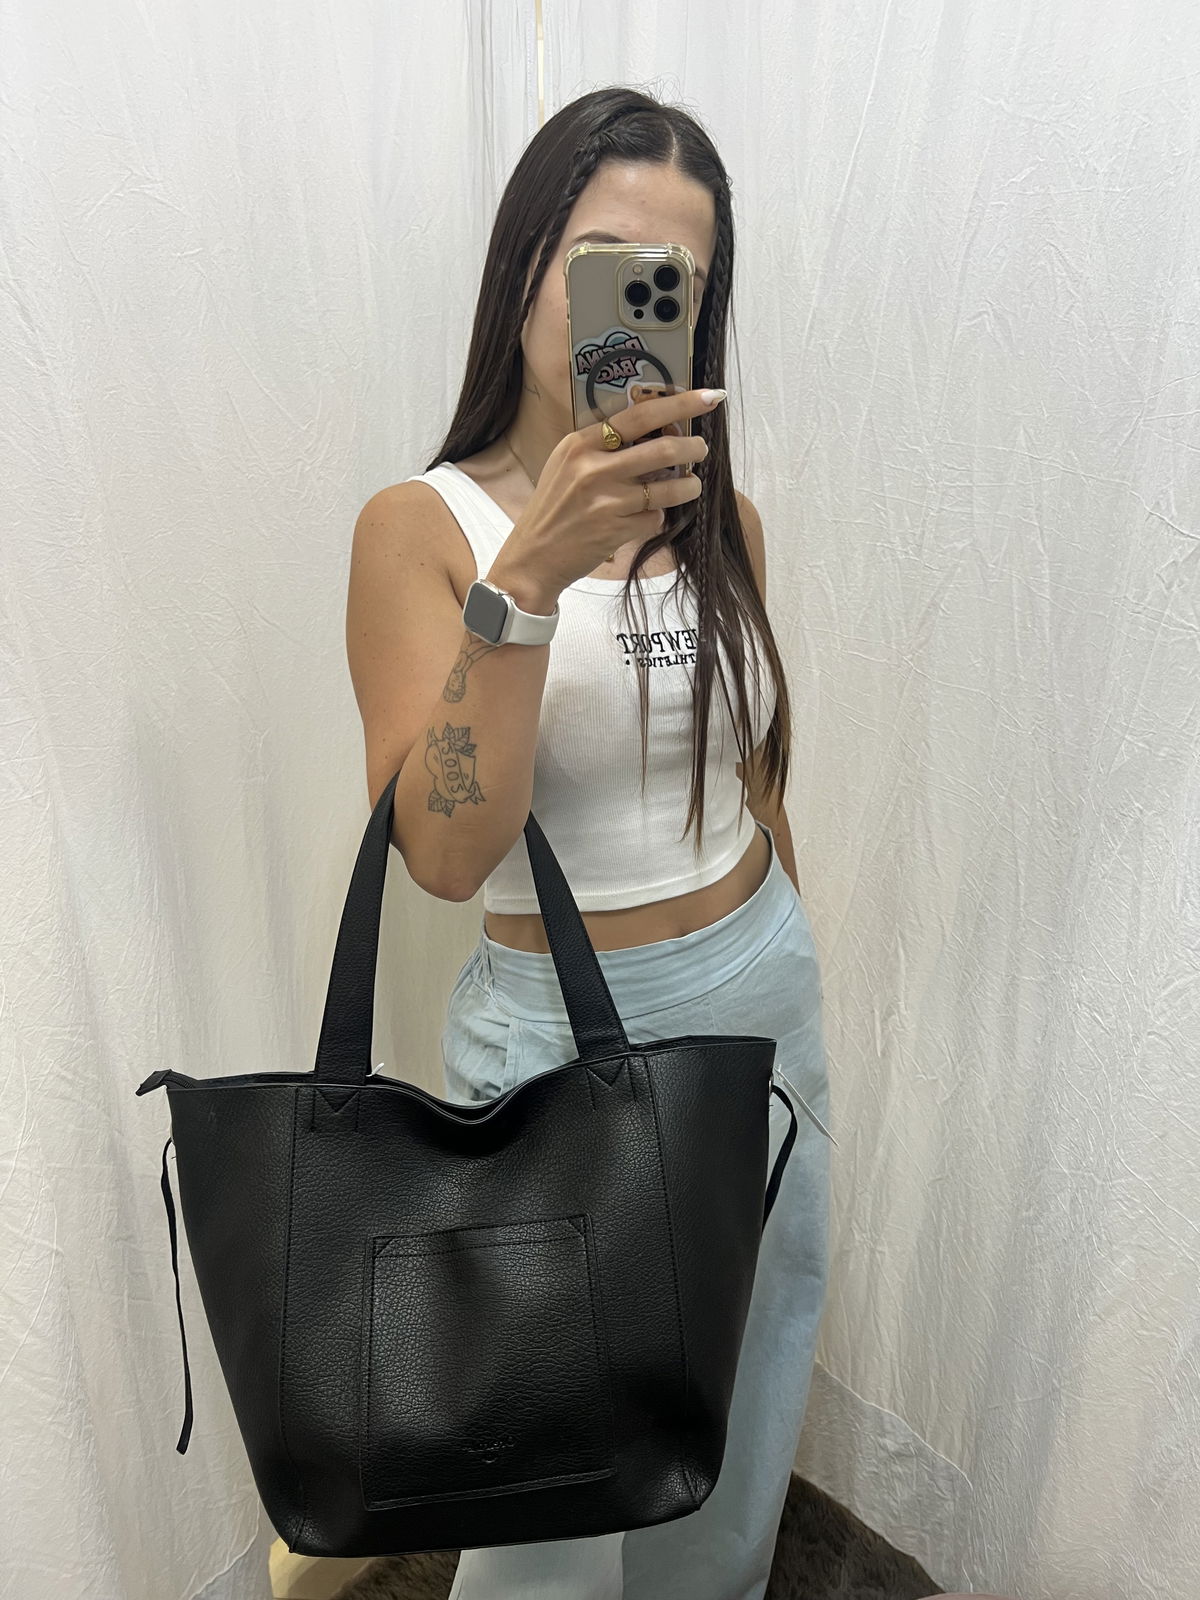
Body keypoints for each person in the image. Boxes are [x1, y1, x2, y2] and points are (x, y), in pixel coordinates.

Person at [346, 86, 832, 1600]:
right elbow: (442, 853)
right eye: (605, 261)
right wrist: (532, 576)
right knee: (551, 1471)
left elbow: (752, 774)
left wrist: (789, 946)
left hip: (763, 998)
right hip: (557, 1035)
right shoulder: (421, 529)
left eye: (674, 278)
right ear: (526, 269)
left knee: (745, 1382)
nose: (637, 306)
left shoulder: (724, 522)